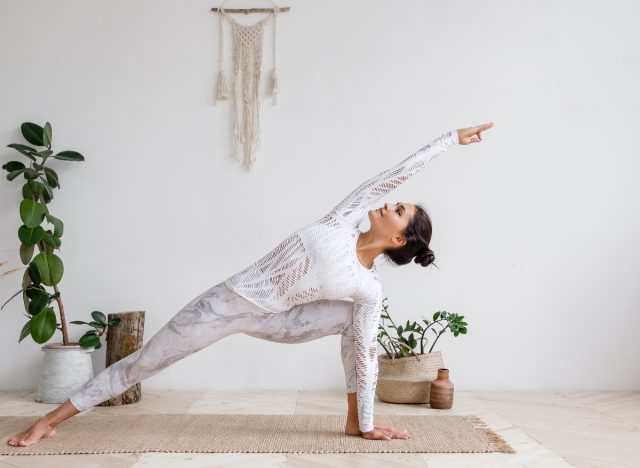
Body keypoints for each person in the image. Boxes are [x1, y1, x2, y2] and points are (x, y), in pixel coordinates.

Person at [7, 121, 494, 447]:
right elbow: (394, 173)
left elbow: (365, 356)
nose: (390, 203)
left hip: (282, 321)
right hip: (228, 304)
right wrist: (450, 140)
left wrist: (368, 420)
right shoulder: (346, 218)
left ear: (397, 238)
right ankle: (50, 421)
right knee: (146, 360)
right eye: (395, 201)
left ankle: (356, 422)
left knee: (359, 326)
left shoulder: (366, 286)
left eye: (400, 209)